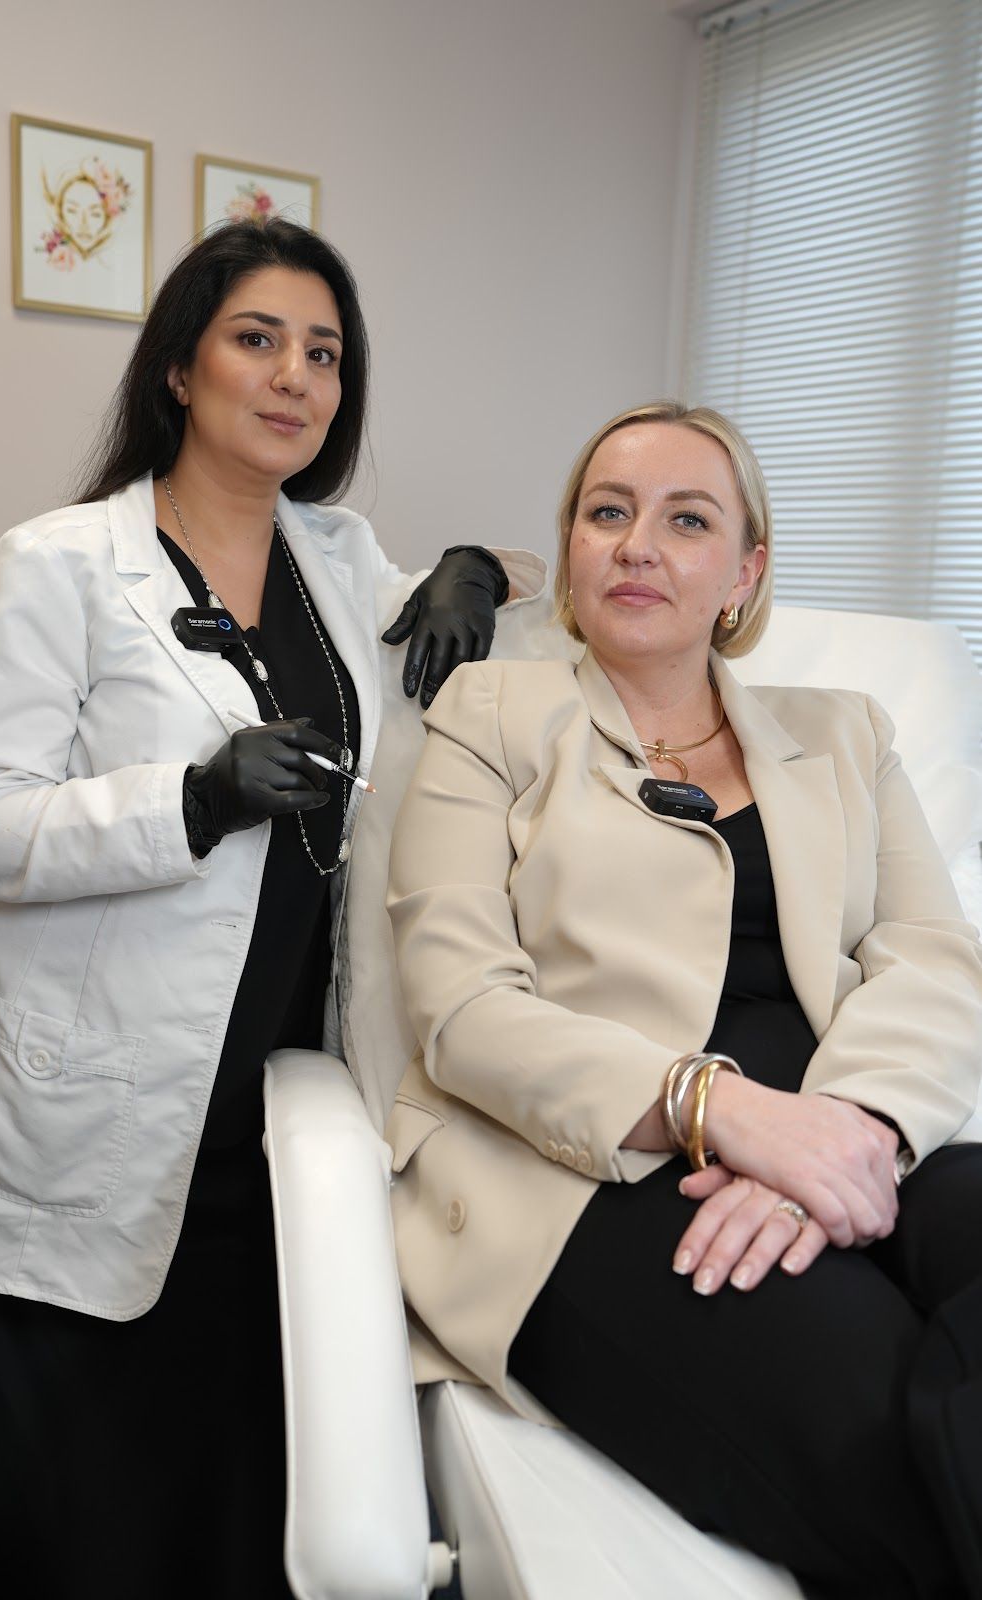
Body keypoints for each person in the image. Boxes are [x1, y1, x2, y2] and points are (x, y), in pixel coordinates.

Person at [0, 216, 537, 1599]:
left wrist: (477, 568)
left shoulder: (337, 558)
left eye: (322, 353)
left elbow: (490, 626)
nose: (293, 377)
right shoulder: (63, 562)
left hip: (268, 1109)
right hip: (85, 1101)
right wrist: (187, 800)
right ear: (180, 372)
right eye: (256, 340)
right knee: (60, 1492)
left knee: (213, 1480)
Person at [386, 401, 982, 1599]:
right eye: (605, 513)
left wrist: (845, 1130)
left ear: (743, 571)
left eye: (685, 518)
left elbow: (934, 955)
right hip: (589, 1169)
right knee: (868, 1420)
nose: (635, 544)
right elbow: (459, 1005)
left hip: (845, 1130)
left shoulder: (843, 733)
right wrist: (723, 1112)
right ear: (568, 551)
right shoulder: (490, 720)